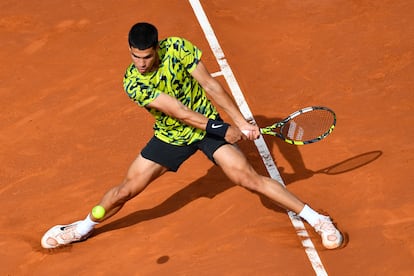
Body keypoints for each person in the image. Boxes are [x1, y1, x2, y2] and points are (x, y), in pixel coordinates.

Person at [41, 22, 344, 250]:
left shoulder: (178, 49)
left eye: (146, 57)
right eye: (135, 57)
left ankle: (318, 219)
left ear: (157, 48)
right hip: (172, 136)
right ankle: (82, 227)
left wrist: (241, 121)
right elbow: (179, 113)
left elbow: (212, 87)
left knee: (247, 177)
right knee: (125, 191)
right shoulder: (133, 83)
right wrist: (223, 129)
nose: (141, 63)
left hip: (207, 129)